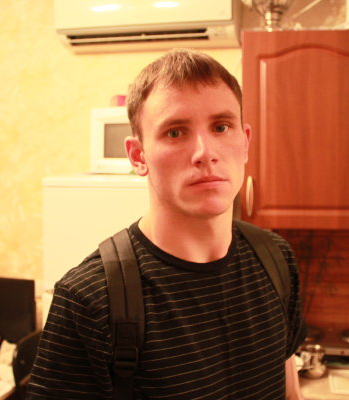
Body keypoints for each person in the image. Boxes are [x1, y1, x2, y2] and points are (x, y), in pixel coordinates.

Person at [28, 49, 305, 400]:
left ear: (245, 142)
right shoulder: (89, 300)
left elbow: (290, 391)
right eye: (175, 132)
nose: (205, 152)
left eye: (221, 127)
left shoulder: (276, 260)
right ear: (138, 156)